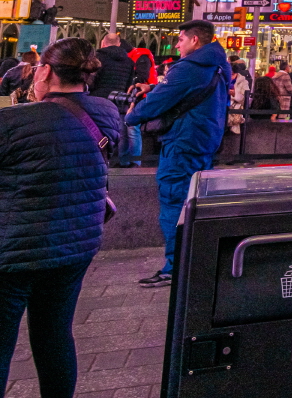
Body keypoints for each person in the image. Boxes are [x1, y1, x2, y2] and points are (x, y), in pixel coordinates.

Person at [0, 38, 122, 398]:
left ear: (47, 71)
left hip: (13, 252)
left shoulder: (13, 120)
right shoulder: (106, 113)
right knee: (54, 334)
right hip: (75, 247)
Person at [125, 20, 230, 287]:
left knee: (174, 202)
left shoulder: (188, 68)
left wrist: (132, 115)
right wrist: (155, 87)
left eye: (181, 39)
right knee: (194, 203)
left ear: (195, 40)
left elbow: (157, 104)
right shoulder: (217, 65)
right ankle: (194, 261)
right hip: (205, 140)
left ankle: (176, 267)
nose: (177, 44)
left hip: (182, 142)